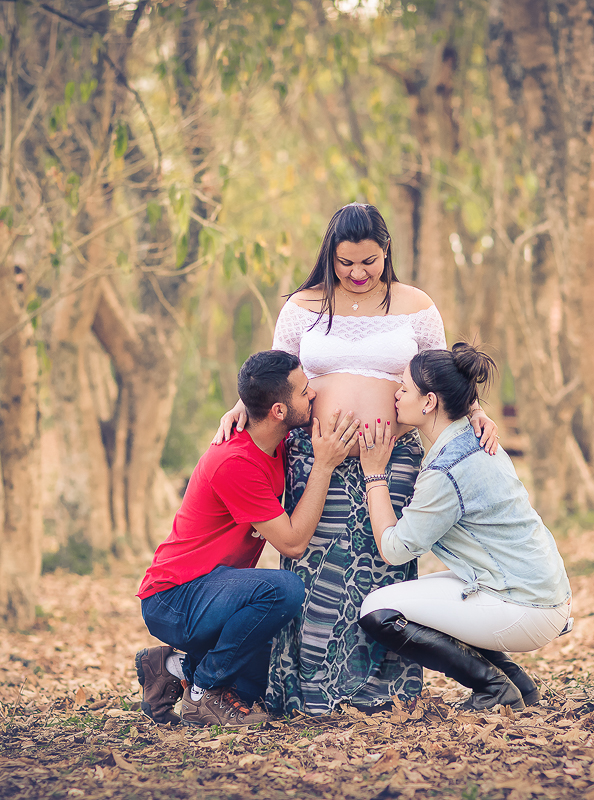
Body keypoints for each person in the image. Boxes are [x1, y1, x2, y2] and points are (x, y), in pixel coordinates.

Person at [213, 203, 499, 716]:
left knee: (381, 568)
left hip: (391, 461)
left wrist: (475, 411)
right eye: (346, 263)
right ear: (331, 256)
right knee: (319, 574)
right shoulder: (304, 305)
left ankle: (382, 693)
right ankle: (309, 694)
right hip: (315, 457)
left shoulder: (416, 305)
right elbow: (276, 374)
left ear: (386, 253)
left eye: (369, 261)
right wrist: (240, 408)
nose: (358, 273)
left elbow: (439, 373)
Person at [134, 350, 361, 727]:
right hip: (174, 597)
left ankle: (171, 667)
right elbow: (291, 544)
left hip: (214, 591)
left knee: (259, 687)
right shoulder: (235, 462)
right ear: (278, 411)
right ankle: (202, 692)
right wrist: (323, 465)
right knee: (284, 589)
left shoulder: (272, 442)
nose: (314, 395)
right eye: (305, 392)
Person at [356, 343, 572, 711]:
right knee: (414, 598)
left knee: (378, 612)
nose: (396, 394)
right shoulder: (471, 437)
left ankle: (494, 689)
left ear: (428, 402)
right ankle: (517, 684)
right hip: (540, 593)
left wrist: (374, 474)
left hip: (524, 604)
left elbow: (394, 550)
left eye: (404, 388)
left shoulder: (447, 468)